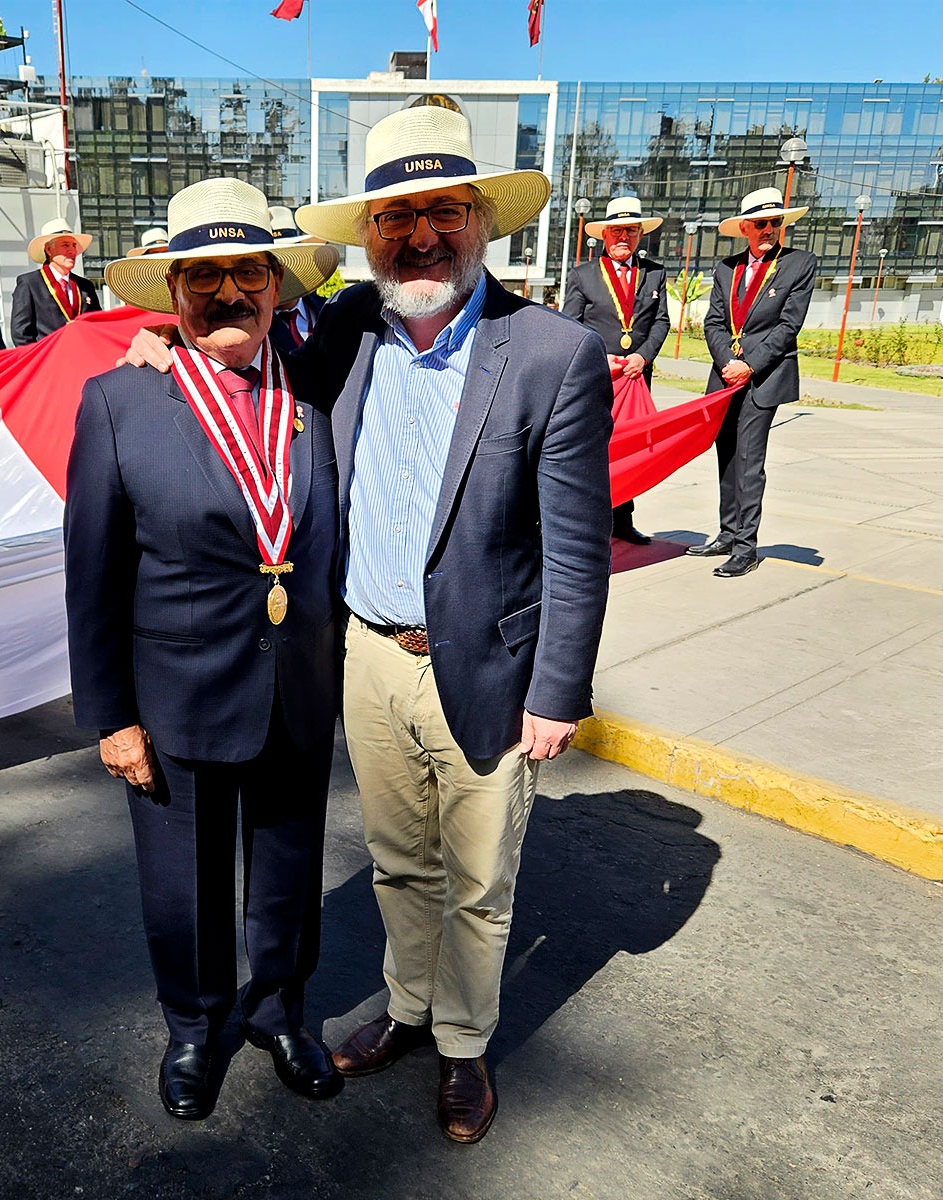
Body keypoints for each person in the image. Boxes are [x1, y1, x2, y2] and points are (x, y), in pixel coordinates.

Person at [125, 105, 614, 1144]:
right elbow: (237, 386)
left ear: (479, 219)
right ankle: (404, 1010)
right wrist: (157, 349)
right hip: (363, 658)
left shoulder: (551, 351)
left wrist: (558, 689)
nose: (422, 236)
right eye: (396, 218)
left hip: (490, 666)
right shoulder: (341, 330)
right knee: (398, 861)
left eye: (442, 211)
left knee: (479, 880)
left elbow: (576, 543)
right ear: (370, 236)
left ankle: (466, 1048)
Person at [63, 178, 344, 1122]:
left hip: (297, 687)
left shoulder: (318, 392)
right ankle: (193, 1025)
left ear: (278, 286)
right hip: (173, 696)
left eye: (248, 273)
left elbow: (406, 290)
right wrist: (111, 716)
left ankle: (279, 1010)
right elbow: (91, 574)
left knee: (289, 864)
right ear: (172, 293)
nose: (229, 295)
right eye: (204, 277)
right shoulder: (118, 402)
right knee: (183, 882)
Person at [686, 187, 817, 577]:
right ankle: (727, 533)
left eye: (776, 223)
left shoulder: (799, 263)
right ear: (745, 227)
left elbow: (788, 325)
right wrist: (728, 360)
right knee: (726, 455)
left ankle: (746, 546)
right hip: (726, 377)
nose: (769, 230)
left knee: (749, 462)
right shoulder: (727, 268)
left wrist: (750, 365)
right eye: (760, 223)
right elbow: (712, 322)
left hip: (764, 379)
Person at [562, 197, 669, 544]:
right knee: (592, 449)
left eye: (632, 230)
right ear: (606, 234)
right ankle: (588, 521)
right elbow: (570, 326)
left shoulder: (654, 273)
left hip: (636, 377)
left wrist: (644, 356)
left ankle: (623, 520)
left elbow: (661, 321)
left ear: (640, 235)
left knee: (629, 447)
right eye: (618, 230)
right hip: (597, 378)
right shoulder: (583, 275)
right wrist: (596, 358)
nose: (624, 236)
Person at [10, 218, 101, 345]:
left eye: (74, 245)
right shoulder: (30, 284)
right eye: (65, 245)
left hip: (83, 357)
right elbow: (21, 333)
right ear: (48, 249)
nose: (72, 251)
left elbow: (98, 323)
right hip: (48, 359)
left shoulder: (85, 286)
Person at [267, 205, 325, 356]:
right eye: (273, 260)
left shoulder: (331, 310)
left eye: (288, 257)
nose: (282, 268)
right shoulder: (251, 324)